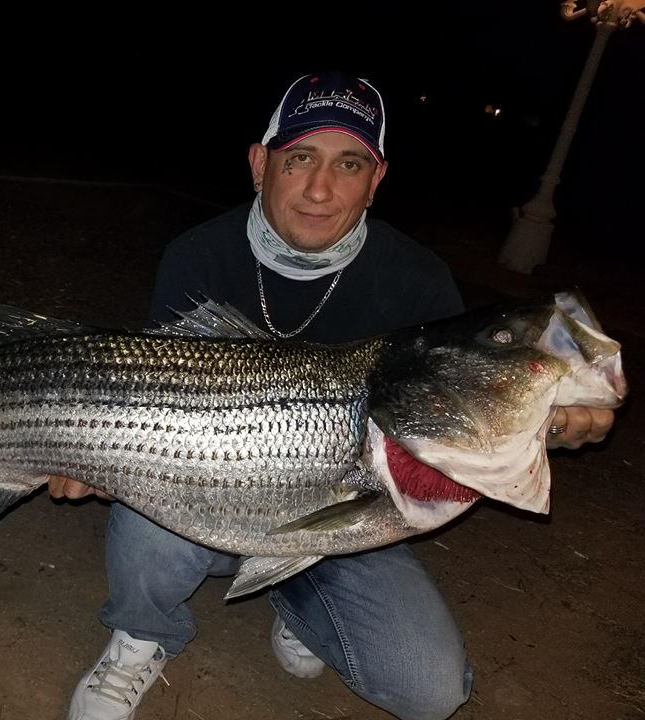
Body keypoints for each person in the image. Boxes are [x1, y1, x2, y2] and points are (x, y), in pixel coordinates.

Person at [48, 71, 615, 720]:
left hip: (352, 513)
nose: (320, 189)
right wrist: (82, 449)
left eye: (349, 164)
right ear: (260, 164)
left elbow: (452, 413)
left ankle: (299, 598)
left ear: (376, 179)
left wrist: (544, 421)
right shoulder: (199, 255)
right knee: (144, 478)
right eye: (299, 159)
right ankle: (142, 632)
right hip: (207, 489)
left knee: (431, 689)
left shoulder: (417, 280)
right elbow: (152, 400)